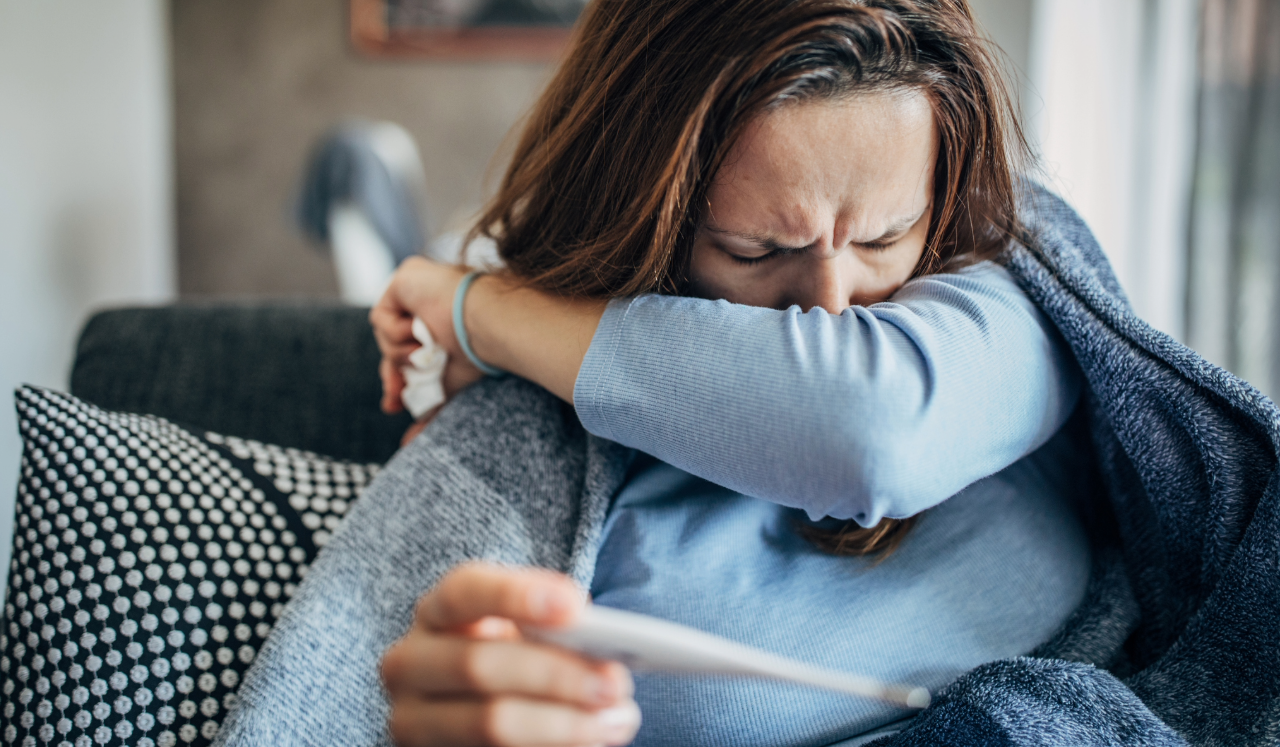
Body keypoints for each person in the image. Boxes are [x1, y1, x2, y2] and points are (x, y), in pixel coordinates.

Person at [371, 1, 1092, 745]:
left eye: (883, 236)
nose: (830, 307)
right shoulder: (533, 424)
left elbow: (870, 428)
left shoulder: (1010, 291)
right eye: (754, 251)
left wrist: (478, 310)